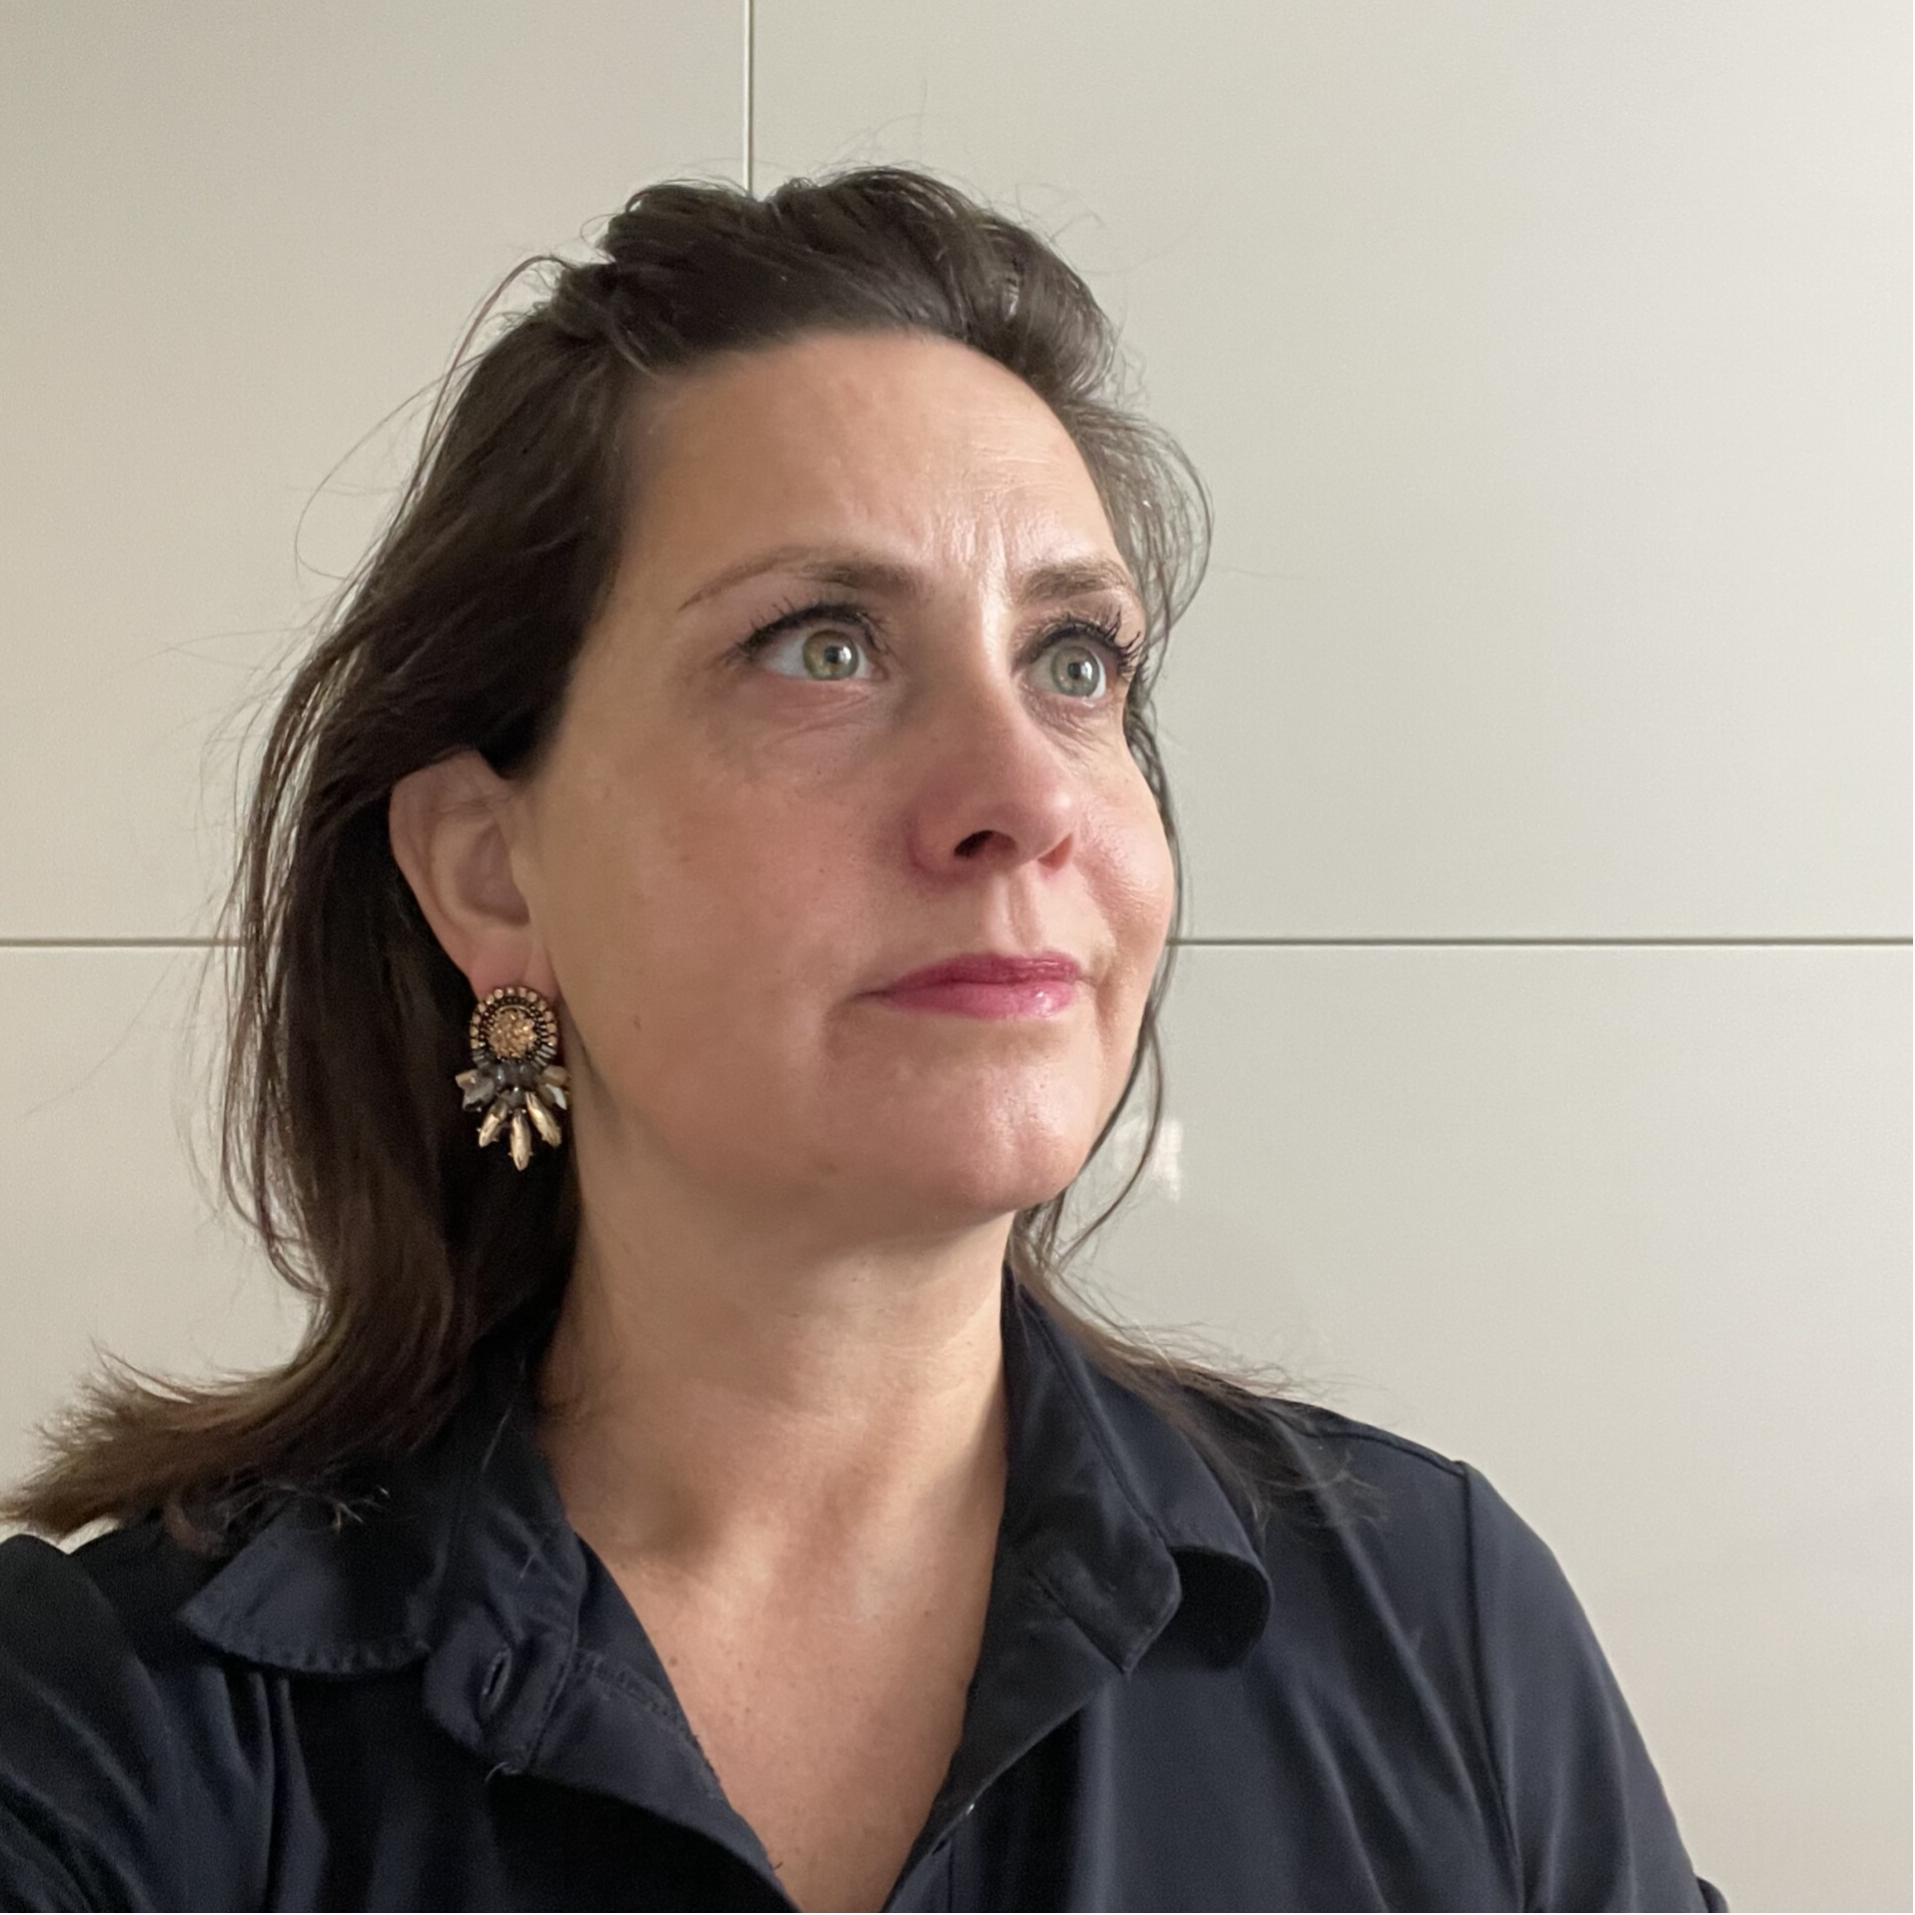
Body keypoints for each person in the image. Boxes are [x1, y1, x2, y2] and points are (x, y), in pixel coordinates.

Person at [0, 167, 1724, 1913]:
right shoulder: (106, 1734)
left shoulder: (1444, 1631)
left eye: (1073, 662)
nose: (1026, 794)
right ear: (490, 868)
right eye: (820, 647)